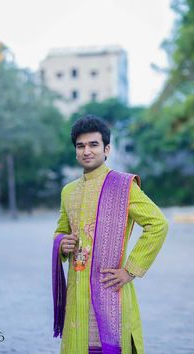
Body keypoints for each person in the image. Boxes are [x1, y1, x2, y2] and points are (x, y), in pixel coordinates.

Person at [52, 115, 168, 354]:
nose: (86, 151)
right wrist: (63, 244)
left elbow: (158, 224)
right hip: (77, 294)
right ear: (75, 151)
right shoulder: (69, 191)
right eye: (81, 146)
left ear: (106, 149)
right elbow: (61, 230)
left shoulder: (123, 186)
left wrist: (130, 270)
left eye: (93, 145)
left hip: (110, 289)